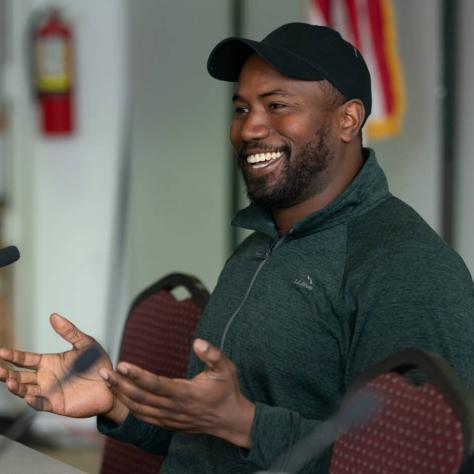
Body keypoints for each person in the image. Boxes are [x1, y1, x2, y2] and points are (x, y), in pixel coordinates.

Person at [1, 23, 474, 473]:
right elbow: (204, 438)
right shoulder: (257, 250)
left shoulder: (407, 266)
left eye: (277, 105)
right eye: (242, 108)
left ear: (348, 119)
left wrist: (246, 423)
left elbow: (416, 460)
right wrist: (116, 401)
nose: (250, 129)